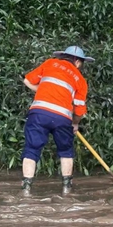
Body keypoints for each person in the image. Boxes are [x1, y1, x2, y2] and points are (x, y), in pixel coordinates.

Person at [21, 46, 93, 197]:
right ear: (78, 62)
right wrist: (75, 123)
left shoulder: (50, 63)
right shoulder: (80, 79)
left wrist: (41, 90)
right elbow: (79, 109)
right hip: (62, 118)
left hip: (39, 113)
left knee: (31, 149)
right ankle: (66, 189)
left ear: (63, 56)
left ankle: (26, 189)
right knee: (66, 151)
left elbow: (27, 80)